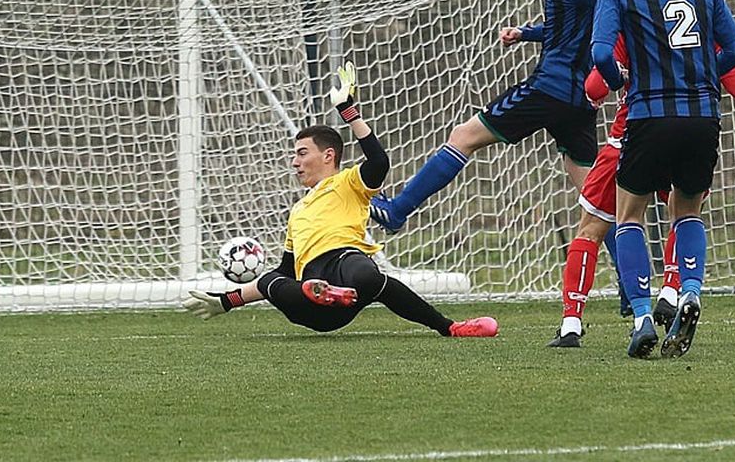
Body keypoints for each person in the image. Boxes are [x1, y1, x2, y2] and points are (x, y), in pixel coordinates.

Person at [547, 0, 735, 348]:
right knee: (686, 211)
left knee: (605, 222)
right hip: (698, 121)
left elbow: (601, 75)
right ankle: (678, 290)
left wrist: (597, 89)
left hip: (636, 129)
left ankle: (581, 321)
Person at [182, 62, 498, 338]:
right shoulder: (298, 211)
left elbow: (379, 162)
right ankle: (318, 292)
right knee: (272, 280)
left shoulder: (347, 182)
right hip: (310, 302)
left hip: (346, 272)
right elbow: (284, 270)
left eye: (301, 153)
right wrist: (227, 300)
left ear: (328, 155)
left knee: (365, 273)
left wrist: (349, 111)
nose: (294, 161)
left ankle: (451, 327)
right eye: (294, 155)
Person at [368, 0, 604, 234]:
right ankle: (633, 281)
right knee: (593, 200)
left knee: (463, 137)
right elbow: (563, 29)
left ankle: (397, 210)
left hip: (550, 90)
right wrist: (525, 33)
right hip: (577, 101)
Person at [591, 0, 735, 359]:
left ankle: (641, 317)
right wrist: (700, 76)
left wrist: (624, 81)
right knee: (688, 211)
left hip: (648, 116)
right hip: (702, 116)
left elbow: (602, 56)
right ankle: (690, 292)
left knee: (630, 215)